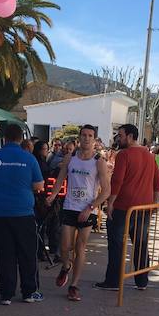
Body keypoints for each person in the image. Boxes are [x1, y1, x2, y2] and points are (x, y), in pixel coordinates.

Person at [0, 122, 45, 305]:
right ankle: (28, 291)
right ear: (21, 139)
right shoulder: (29, 158)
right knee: (27, 252)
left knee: (4, 253)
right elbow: (39, 185)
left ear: (5, 138)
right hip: (23, 211)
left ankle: (6, 293)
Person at [47, 125, 110, 302]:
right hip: (70, 206)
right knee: (65, 246)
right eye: (84, 135)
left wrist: (90, 208)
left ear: (95, 139)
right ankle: (66, 266)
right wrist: (52, 196)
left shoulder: (99, 161)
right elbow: (60, 180)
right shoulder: (70, 158)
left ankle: (74, 285)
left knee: (80, 247)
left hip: (87, 209)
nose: (86, 138)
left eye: (90, 136)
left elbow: (106, 190)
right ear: (79, 137)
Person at [96, 124, 159, 293]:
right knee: (141, 243)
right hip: (144, 208)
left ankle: (113, 281)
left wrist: (110, 203)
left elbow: (117, 181)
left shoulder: (124, 154)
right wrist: (154, 204)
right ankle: (142, 280)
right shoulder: (150, 156)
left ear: (131, 136)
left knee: (116, 244)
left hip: (123, 207)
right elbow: (157, 184)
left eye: (121, 135)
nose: (119, 138)